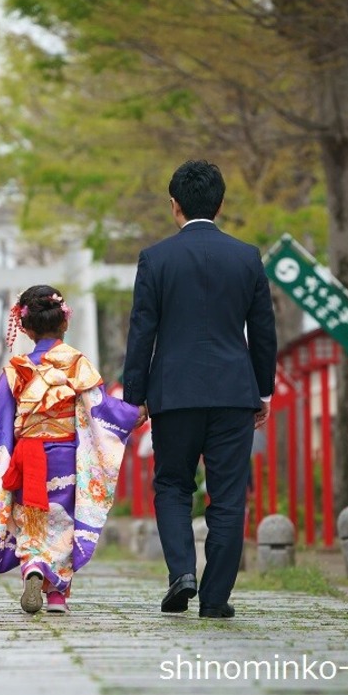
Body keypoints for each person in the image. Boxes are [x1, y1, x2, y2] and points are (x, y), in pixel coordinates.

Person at [122, 160, 277, 619]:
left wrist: (136, 396)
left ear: (175, 206)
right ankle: (214, 598)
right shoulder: (246, 257)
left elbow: (141, 332)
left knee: (172, 484)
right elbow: (263, 331)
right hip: (234, 394)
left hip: (174, 394)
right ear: (221, 204)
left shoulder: (156, 259)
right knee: (228, 496)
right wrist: (262, 391)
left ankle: (182, 574)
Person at [0, 285, 141, 614]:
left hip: (27, 454)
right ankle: (57, 596)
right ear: (65, 322)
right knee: (63, 521)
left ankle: (33, 567)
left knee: (31, 518)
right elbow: (100, 409)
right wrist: (132, 414)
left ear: (25, 328)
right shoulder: (76, 363)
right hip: (65, 456)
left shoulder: (15, 369)